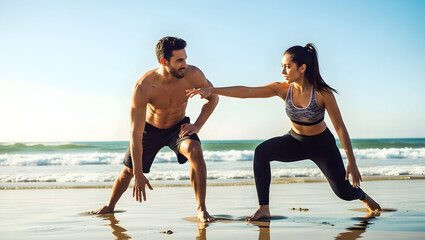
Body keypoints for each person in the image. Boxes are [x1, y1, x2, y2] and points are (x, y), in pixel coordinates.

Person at [186, 43, 381, 221]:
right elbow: (247, 92)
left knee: (344, 193)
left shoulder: (322, 93)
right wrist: (214, 90)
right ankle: (264, 208)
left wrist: (352, 162)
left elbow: (340, 127)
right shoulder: (282, 89)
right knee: (261, 152)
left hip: (322, 145)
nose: (282, 71)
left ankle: (364, 197)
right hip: (295, 141)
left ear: (302, 68)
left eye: (287, 66)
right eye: (282, 66)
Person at [91, 36, 218, 222]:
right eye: (179, 61)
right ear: (164, 61)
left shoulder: (193, 75)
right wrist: (139, 173)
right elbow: (135, 132)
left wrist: (197, 125)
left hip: (178, 127)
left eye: (185, 59)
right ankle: (109, 206)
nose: (185, 65)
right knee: (128, 171)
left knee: (195, 150)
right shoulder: (144, 86)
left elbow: (213, 97)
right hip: (150, 129)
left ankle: (201, 209)